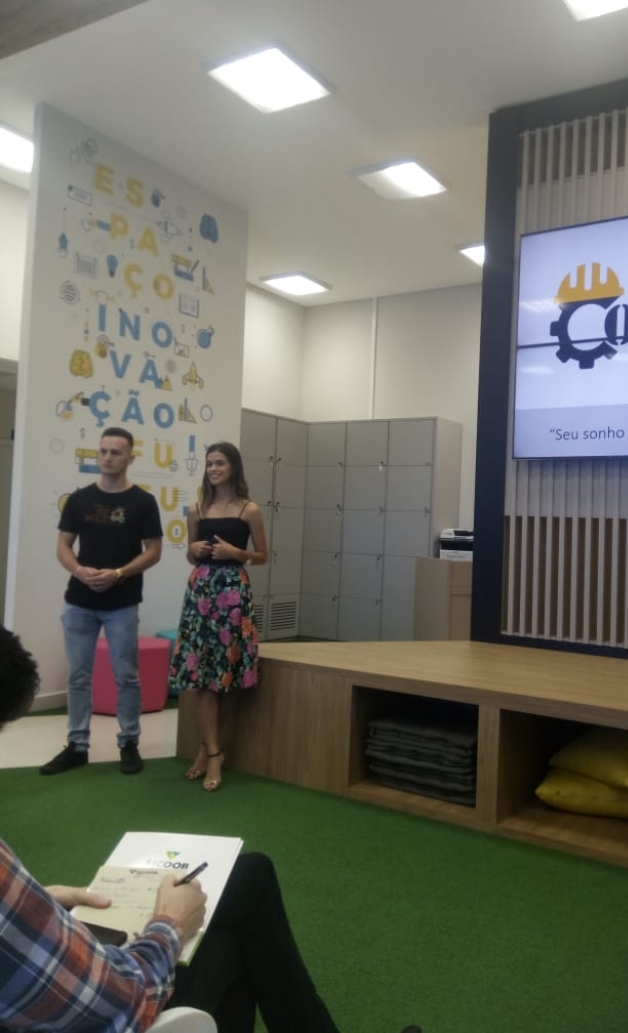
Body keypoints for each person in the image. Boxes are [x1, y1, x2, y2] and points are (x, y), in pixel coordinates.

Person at [0, 625, 421, 1033]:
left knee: (244, 887)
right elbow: (120, 998)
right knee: (241, 910)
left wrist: (42, 898)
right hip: (114, 1006)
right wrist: (169, 925)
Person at [41, 427, 163, 777]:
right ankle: (77, 746)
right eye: (104, 451)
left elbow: (153, 551)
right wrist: (79, 571)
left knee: (126, 676)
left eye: (116, 452)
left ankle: (129, 742)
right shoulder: (79, 499)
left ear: (130, 458)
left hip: (122, 602)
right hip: (79, 601)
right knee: (78, 675)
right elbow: (63, 546)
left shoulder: (143, 502)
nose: (107, 457)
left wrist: (119, 573)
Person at [169, 442, 267, 792]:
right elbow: (191, 556)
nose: (213, 468)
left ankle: (208, 750)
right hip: (201, 592)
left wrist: (236, 552)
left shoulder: (249, 509)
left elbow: (262, 555)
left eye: (220, 463)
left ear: (233, 467)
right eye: (209, 463)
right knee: (204, 674)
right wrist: (193, 550)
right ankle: (213, 752)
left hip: (233, 593)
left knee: (225, 674)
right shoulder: (196, 509)